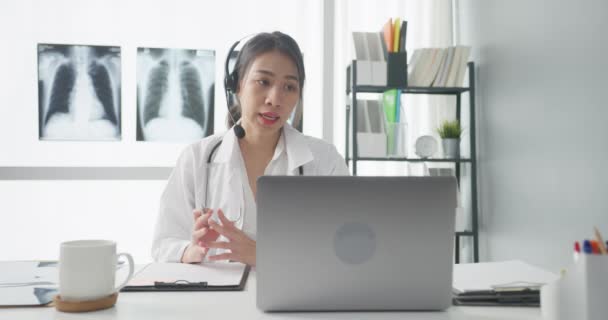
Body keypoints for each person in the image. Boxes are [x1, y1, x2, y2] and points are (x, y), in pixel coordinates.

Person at [151, 32, 349, 266]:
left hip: (295, 300)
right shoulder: (197, 158)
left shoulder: (325, 161)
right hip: (215, 300)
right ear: (236, 86)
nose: (275, 99)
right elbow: (164, 244)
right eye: (263, 82)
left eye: (289, 86)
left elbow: (345, 249)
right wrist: (190, 250)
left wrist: (264, 255)